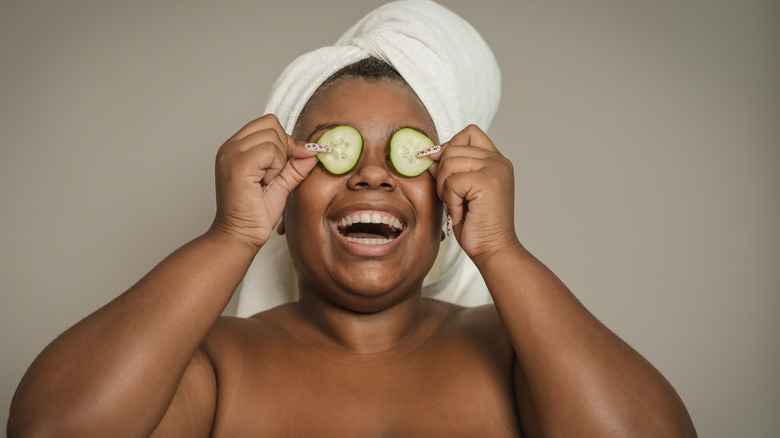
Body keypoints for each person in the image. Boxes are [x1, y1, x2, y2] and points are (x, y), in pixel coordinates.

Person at [8, 1, 696, 437]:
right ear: (278, 197)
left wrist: (505, 252)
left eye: (408, 153)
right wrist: (230, 236)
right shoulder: (216, 364)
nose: (372, 173)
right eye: (337, 151)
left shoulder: (518, 355)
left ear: (453, 202)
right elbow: (49, 430)